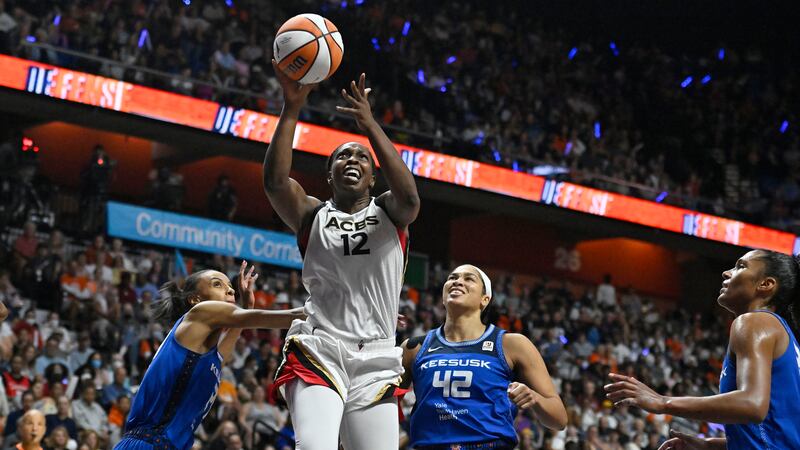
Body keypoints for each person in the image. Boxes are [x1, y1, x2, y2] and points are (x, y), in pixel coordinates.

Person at [263, 62, 420, 450]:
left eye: (362, 158)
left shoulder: (389, 212)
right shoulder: (312, 213)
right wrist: (292, 106)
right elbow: (274, 182)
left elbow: (412, 197)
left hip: (378, 354)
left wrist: (370, 126)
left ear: (373, 177)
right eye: (342, 157)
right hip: (321, 346)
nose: (352, 160)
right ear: (330, 174)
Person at [604, 250, 800, 449]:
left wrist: (663, 402)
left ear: (765, 285)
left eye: (741, 266)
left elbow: (752, 405)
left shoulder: (754, 321)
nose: (726, 272)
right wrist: (708, 445)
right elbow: (777, 432)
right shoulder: (786, 338)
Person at [114, 262, 304, 450]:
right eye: (217, 284)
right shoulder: (199, 312)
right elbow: (272, 317)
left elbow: (236, 330)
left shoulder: (208, 355)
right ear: (195, 299)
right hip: (146, 444)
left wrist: (247, 306)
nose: (230, 291)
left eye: (230, 287)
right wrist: (318, 312)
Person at [401, 265, 567, 449]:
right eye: (452, 277)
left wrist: (534, 398)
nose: (458, 281)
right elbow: (381, 403)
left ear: (484, 299)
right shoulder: (413, 348)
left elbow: (559, 419)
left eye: (469, 279)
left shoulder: (512, 344)